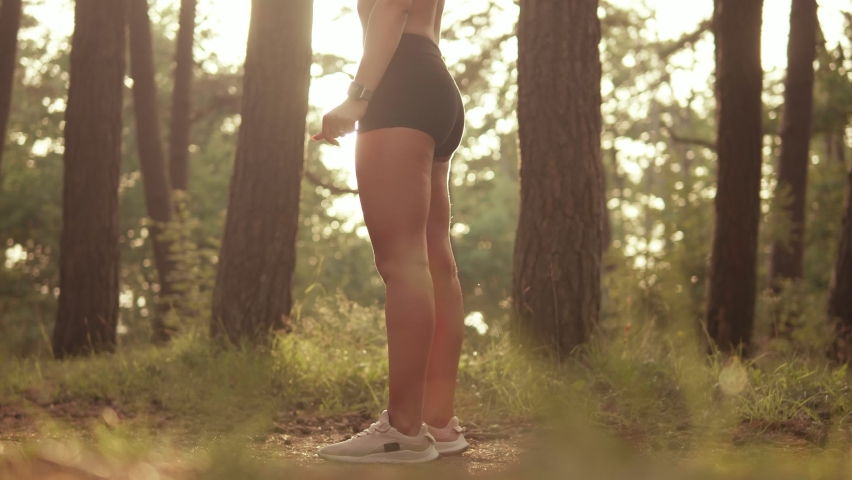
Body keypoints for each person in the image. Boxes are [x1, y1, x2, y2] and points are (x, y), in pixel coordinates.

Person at [311, 0, 468, 464]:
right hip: (434, 84)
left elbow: (394, 7)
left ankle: (403, 430)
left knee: (403, 262)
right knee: (435, 261)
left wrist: (358, 95)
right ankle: (439, 425)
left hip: (400, 90)